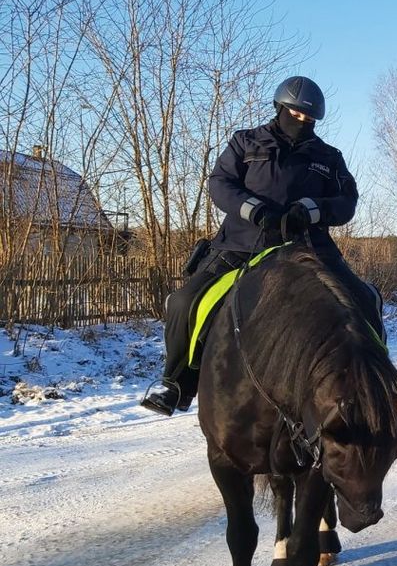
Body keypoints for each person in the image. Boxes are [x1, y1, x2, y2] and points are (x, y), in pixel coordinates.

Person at [140, 76, 384, 416]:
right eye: (296, 114)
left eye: (309, 119)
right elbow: (219, 184)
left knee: (367, 298)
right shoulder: (245, 143)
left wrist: (312, 211)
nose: (302, 122)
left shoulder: (329, 157)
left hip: (309, 247)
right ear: (280, 108)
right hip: (242, 244)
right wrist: (256, 211)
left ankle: (378, 383)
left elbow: (347, 201)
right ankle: (176, 383)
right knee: (183, 302)